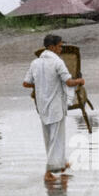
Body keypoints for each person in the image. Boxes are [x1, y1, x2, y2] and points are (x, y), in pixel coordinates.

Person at [23, 34, 85, 182]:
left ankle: (61, 164)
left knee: (50, 138)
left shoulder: (35, 63)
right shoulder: (58, 62)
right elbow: (69, 82)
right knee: (57, 139)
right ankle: (48, 172)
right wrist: (80, 80)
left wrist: (41, 85)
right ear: (52, 47)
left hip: (42, 107)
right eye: (59, 46)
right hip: (56, 106)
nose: (61, 48)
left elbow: (26, 83)